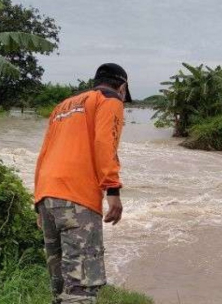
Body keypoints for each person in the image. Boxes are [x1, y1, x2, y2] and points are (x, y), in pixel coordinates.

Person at [34, 63, 132, 304]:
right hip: (77, 198)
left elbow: (44, 152)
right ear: (122, 87)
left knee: (60, 286)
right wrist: (112, 189)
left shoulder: (62, 107)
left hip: (47, 196)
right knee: (80, 288)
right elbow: (104, 143)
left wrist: (38, 202)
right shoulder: (110, 100)